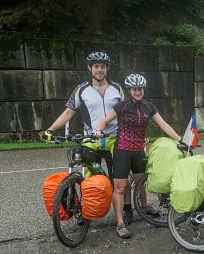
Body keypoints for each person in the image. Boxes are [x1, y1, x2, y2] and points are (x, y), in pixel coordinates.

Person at [43, 51, 134, 223]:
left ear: (107, 69)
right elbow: (69, 111)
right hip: (91, 140)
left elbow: (127, 111)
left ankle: (127, 207)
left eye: (103, 66)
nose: (100, 70)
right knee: (88, 177)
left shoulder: (117, 89)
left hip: (115, 138)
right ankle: (87, 209)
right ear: (90, 68)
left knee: (122, 176)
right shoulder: (81, 90)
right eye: (96, 66)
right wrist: (51, 129)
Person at [95, 73, 183, 238]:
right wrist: (99, 130)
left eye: (140, 89)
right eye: (134, 89)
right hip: (122, 150)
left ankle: (144, 207)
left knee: (141, 184)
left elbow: (163, 124)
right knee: (120, 187)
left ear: (143, 89)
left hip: (138, 151)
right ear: (129, 90)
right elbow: (104, 121)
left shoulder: (149, 107)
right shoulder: (122, 105)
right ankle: (120, 223)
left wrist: (180, 140)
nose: (138, 92)